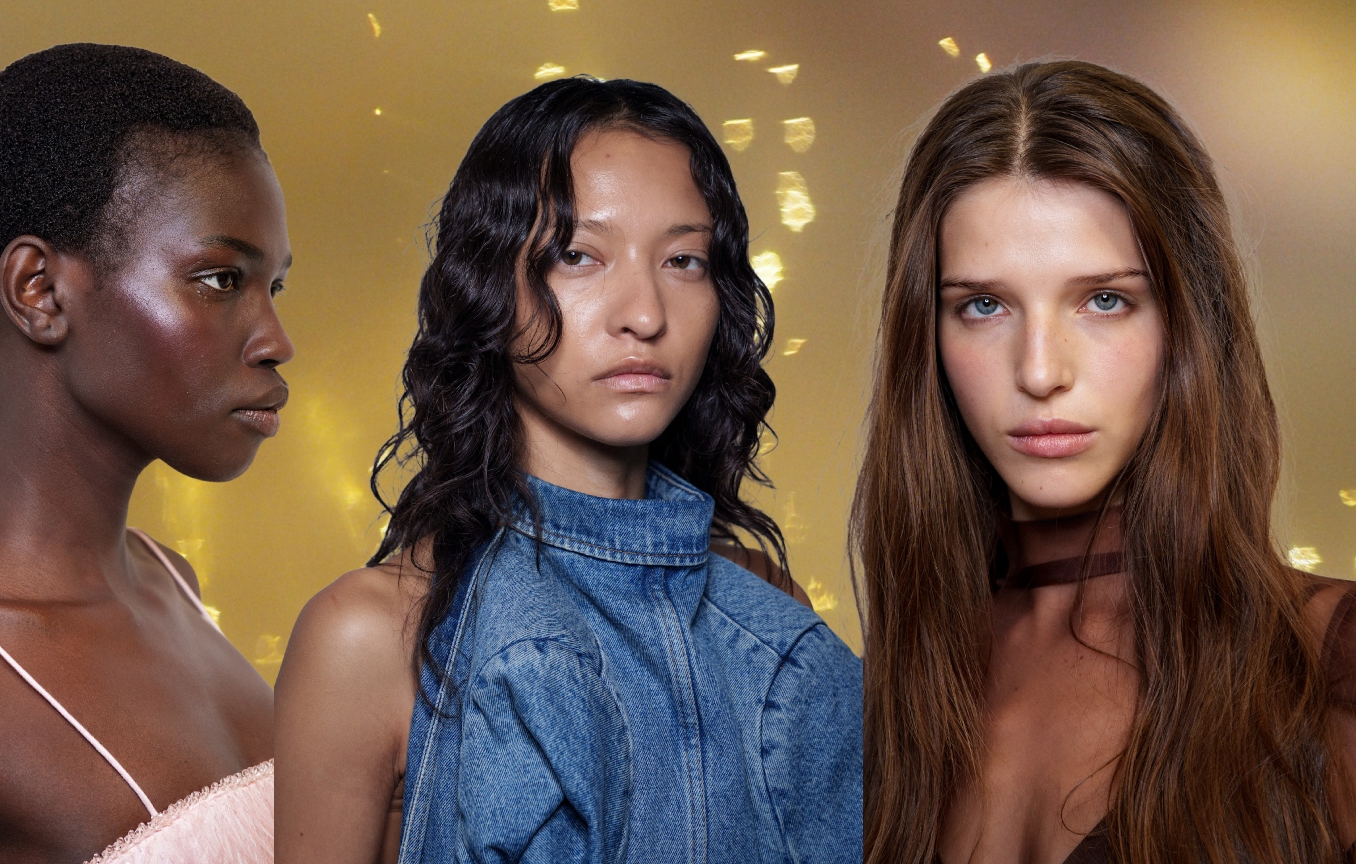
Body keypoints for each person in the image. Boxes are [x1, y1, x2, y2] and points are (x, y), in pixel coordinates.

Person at [276, 76, 862, 863]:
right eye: (578, 256)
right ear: (489, 283)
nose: (645, 314)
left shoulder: (765, 614)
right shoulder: (369, 638)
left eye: (684, 259)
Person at [854, 60, 1355, 863]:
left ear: (1187, 325)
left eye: (1105, 300)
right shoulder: (893, 696)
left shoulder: (1325, 668)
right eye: (984, 306)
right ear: (929, 337)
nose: (1041, 371)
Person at [0, 44, 288, 862]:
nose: (277, 342)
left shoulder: (174, 584)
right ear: (38, 290)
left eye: (272, 287)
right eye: (219, 279)